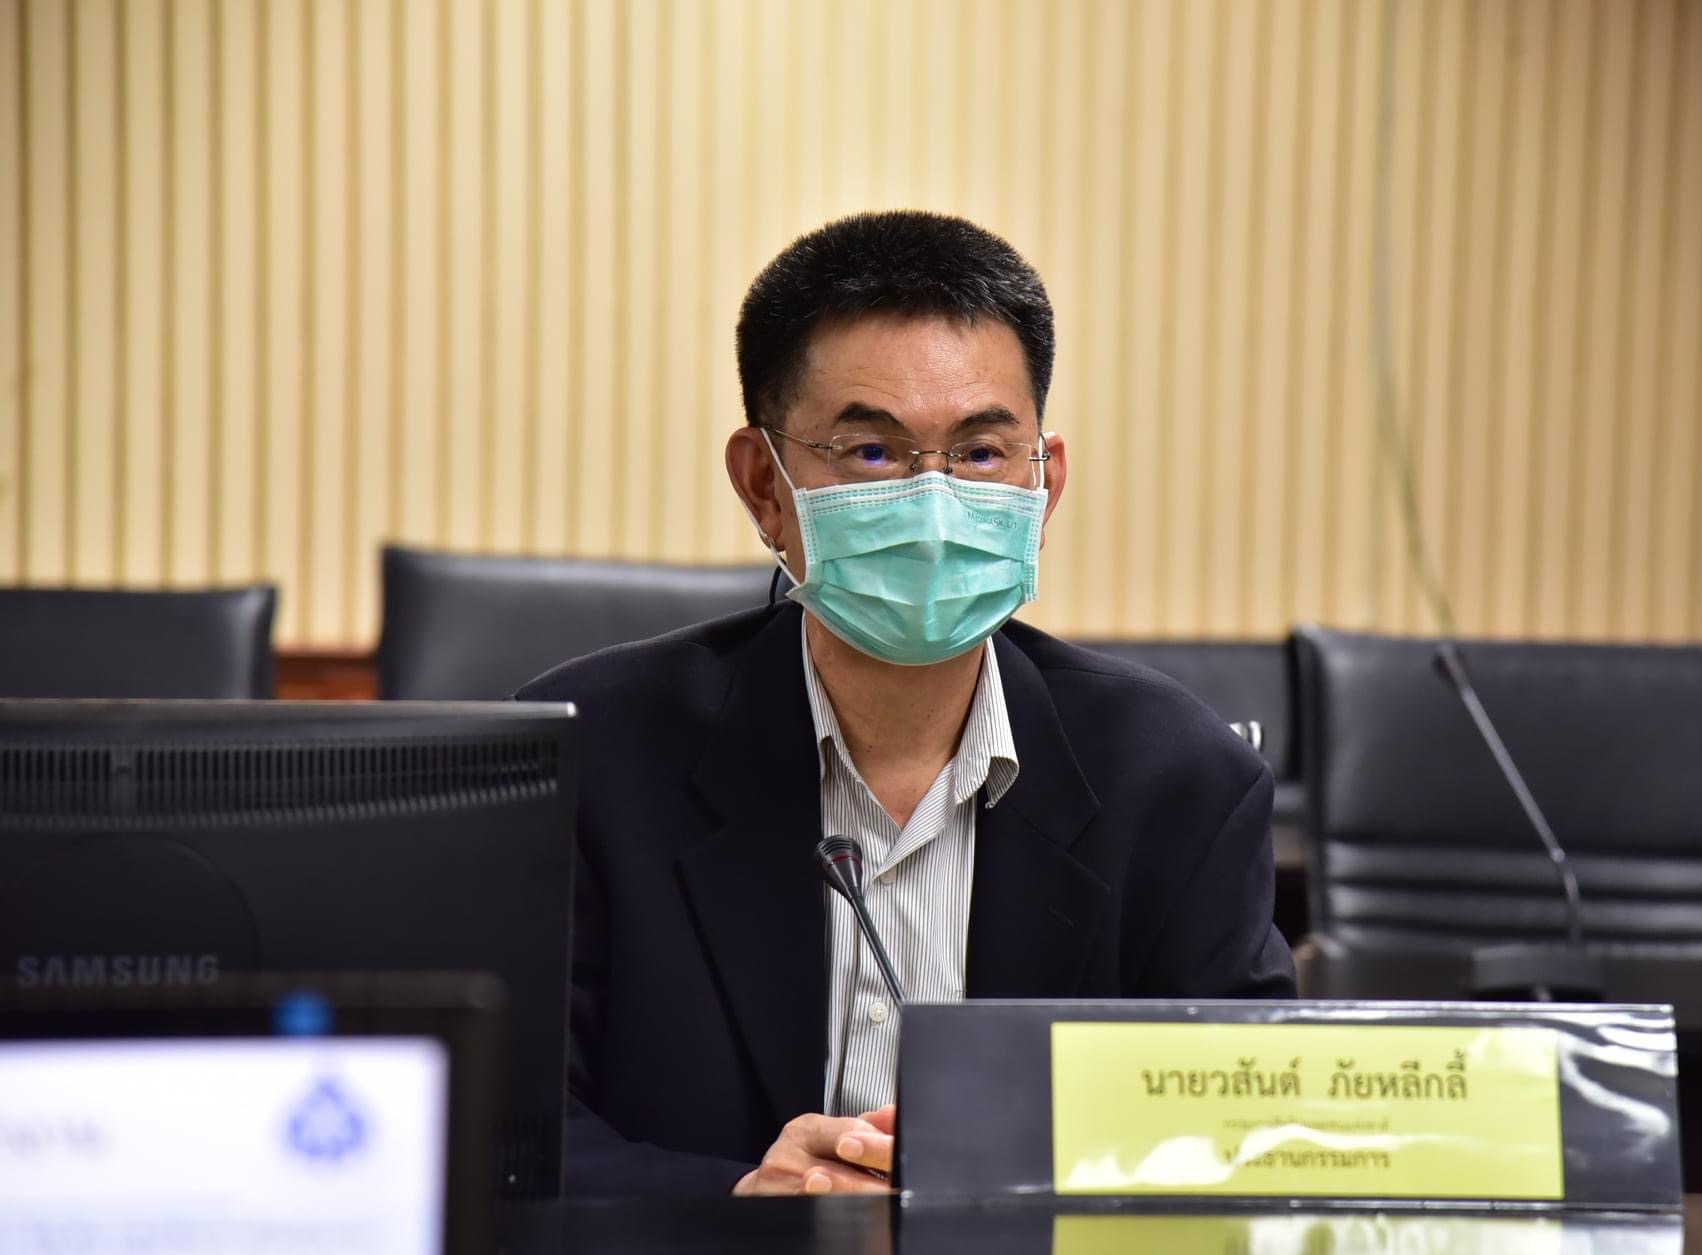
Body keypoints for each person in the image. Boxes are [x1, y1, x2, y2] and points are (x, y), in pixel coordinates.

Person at [516, 210, 1295, 1198]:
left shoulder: (1180, 783)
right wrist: (738, 1204)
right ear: (765, 486)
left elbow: (1243, 1147)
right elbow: (507, 1128)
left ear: (1043, 486)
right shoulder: (588, 760)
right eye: (872, 453)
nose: (934, 508)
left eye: (980, 453)